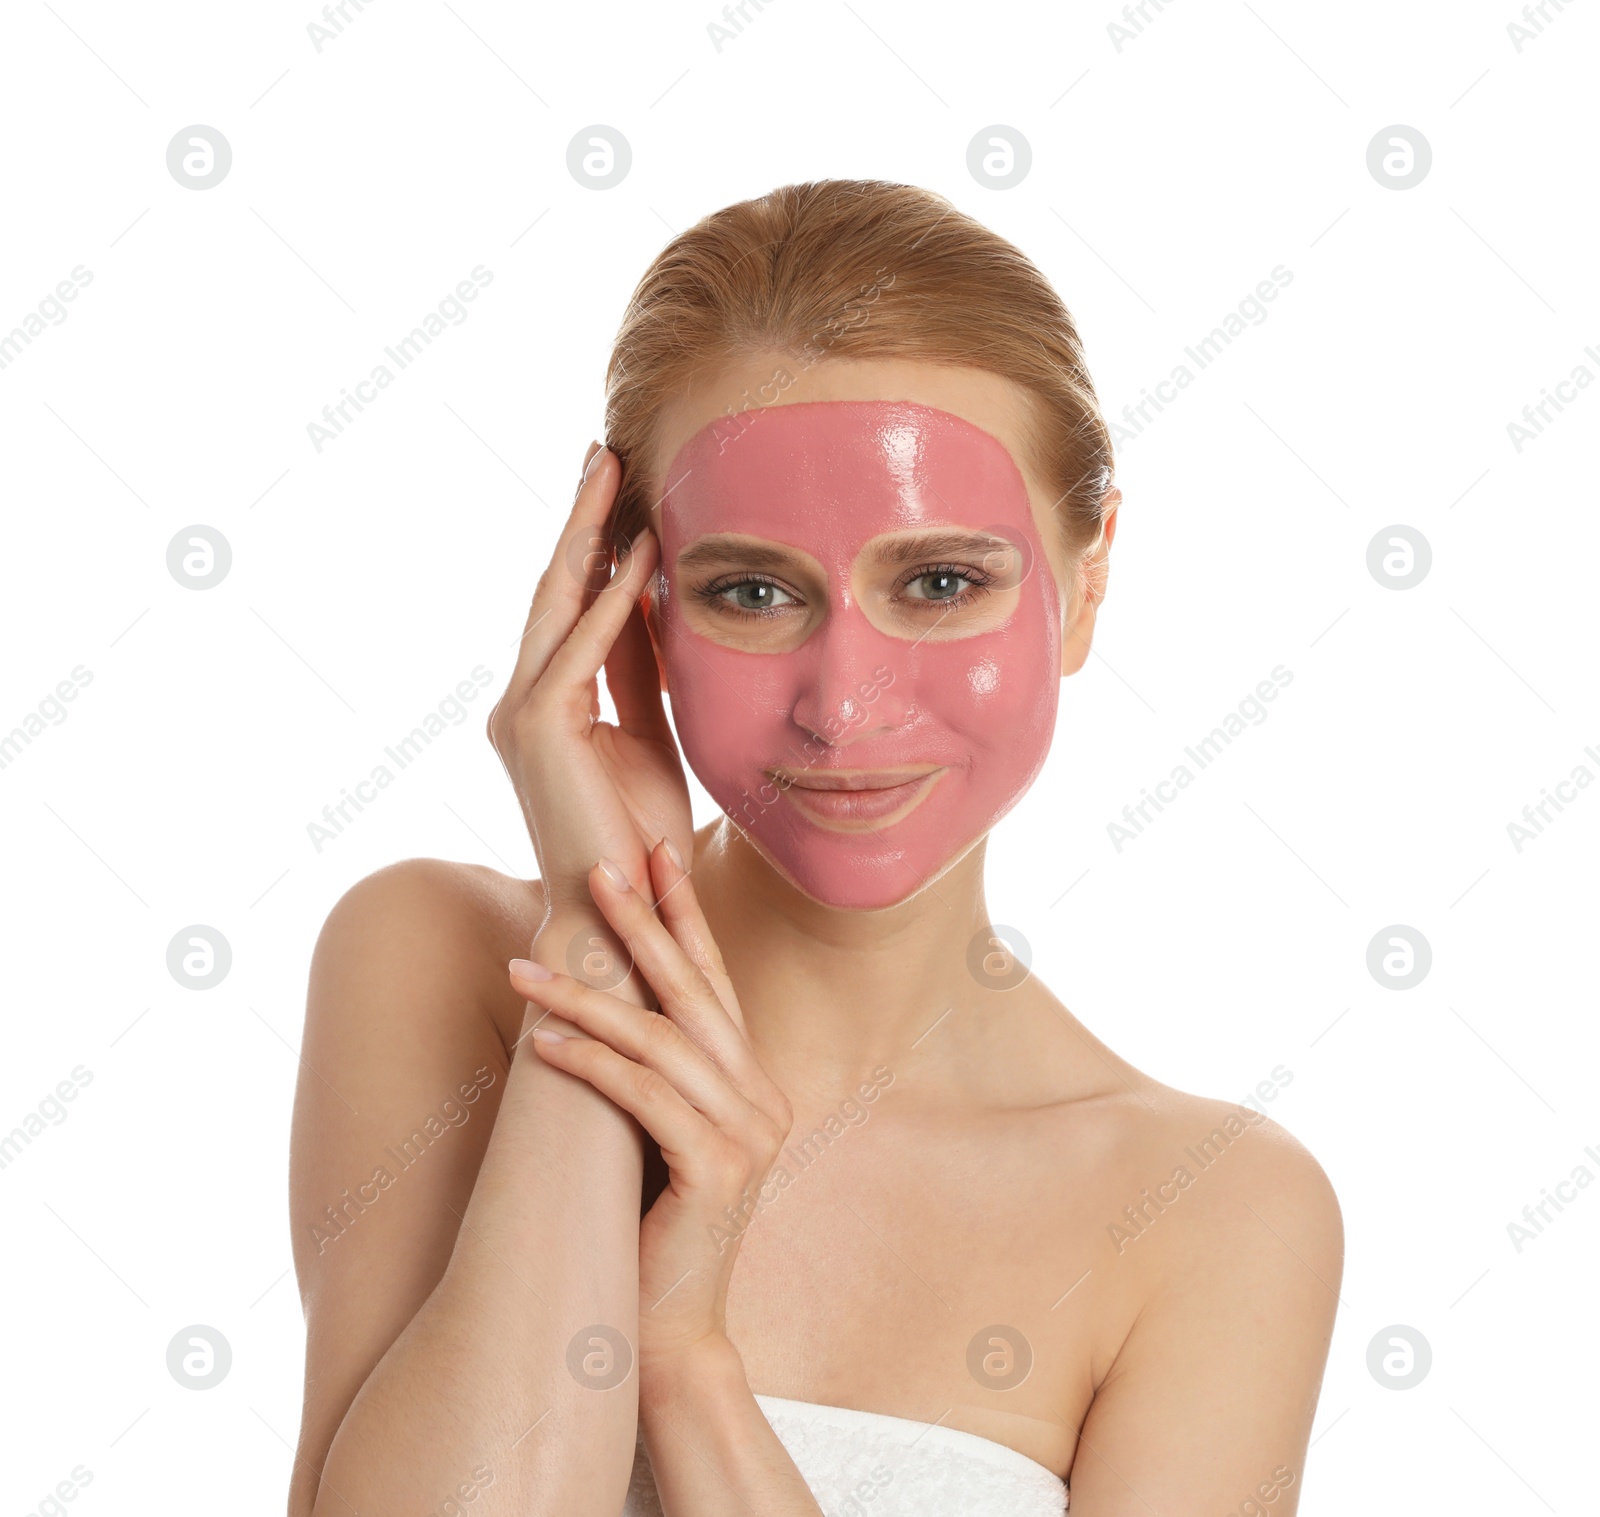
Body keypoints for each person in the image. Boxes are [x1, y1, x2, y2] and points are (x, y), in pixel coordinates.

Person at [286, 179, 1342, 1517]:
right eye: (752, 589)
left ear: (1086, 583)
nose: (844, 702)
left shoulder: (1214, 1212)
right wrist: (604, 945)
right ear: (634, 606)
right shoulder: (438, 963)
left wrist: (684, 1365)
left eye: (942, 582)